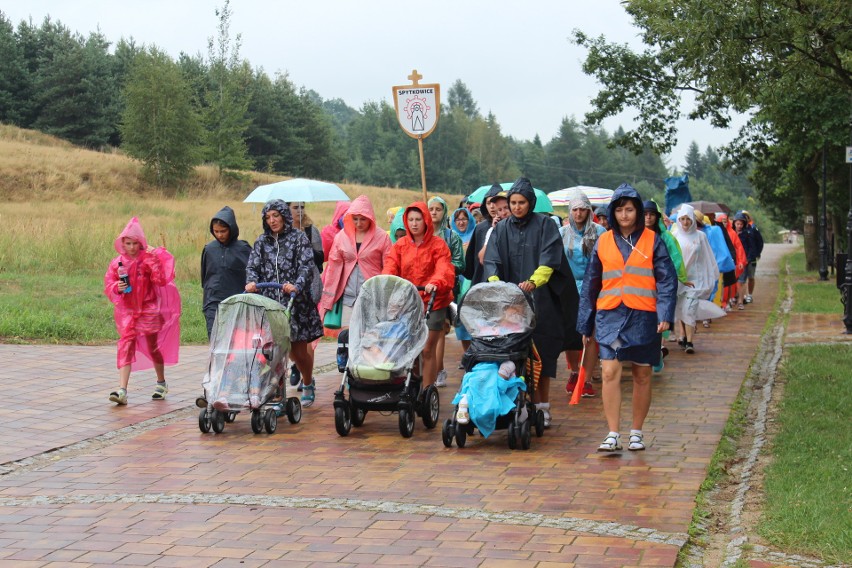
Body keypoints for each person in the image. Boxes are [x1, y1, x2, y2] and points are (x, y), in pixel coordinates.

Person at [578, 184, 677, 452]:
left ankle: (636, 431)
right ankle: (612, 432)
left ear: (638, 211)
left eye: (630, 209)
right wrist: (586, 323)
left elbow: (667, 280)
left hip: (644, 315)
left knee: (642, 373)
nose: (624, 215)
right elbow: (591, 284)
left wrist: (665, 313)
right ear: (612, 212)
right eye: (619, 210)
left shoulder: (652, 241)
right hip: (609, 313)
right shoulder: (603, 241)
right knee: (609, 371)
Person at [484, 177, 578, 429]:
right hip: (509, 303)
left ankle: (543, 407)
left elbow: (550, 258)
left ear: (531, 203)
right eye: (513, 202)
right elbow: (492, 261)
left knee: (542, 356)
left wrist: (533, 282)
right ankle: (513, 405)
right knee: (509, 354)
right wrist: (496, 283)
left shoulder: (545, 225)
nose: (516, 207)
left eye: (521, 202)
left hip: (541, 301)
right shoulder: (501, 229)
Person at [245, 200, 324, 407]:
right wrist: (251, 282)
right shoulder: (261, 242)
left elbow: (307, 266)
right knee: (273, 352)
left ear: (284, 216)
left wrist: (296, 285)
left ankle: (307, 382)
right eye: (268, 217)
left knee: (298, 352)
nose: (272, 221)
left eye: (276, 216)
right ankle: (277, 394)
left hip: (295, 303)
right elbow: (252, 267)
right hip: (270, 303)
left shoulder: (298, 238)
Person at [104, 217, 181, 405]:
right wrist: (116, 287)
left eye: (134, 243)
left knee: (153, 346)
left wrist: (157, 258)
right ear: (122, 243)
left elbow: (161, 280)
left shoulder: (147, 259)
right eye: (127, 243)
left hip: (148, 309)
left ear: (141, 243)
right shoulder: (117, 263)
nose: (131, 247)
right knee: (126, 345)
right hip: (128, 312)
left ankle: (161, 383)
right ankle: (122, 390)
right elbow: (109, 283)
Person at [382, 202, 456, 390]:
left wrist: (436, 283)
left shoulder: (438, 245)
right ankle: (413, 384)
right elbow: (391, 266)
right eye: (411, 220)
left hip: (434, 300)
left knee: (427, 348)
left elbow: (444, 269)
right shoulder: (400, 246)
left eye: (418, 219)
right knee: (410, 348)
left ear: (426, 221)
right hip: (409, 302)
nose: (414, 224)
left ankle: (427, 389)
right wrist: (387, 281)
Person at [318, 195, 391, 329]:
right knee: (348, 338)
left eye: (363, 219)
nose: (359, 223)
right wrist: (328, 298)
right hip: (348, 298)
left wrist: (385, 293)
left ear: (370, 218)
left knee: (370, 338)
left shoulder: (382, 237)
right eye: (355, 219)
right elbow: (333, 268)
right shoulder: (341, 237)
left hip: (373, 297)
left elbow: (389, 265)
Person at [560, 191, 605, 398]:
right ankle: (575, 371)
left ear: (589, 211)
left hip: (594, 286)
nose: (578, 213)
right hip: (569, 288)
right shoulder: (562, 233)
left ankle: (586, 378)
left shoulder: (600, 232)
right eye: (574, 209)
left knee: (591, 334)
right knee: (572, 334)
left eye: (582, 209)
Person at [427, 196, 465, 387]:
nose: (434, 212)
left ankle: (438, 369)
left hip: (444, 289)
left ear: (444, 212)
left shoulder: (452, 237)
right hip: (423, 289)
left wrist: (443, 267)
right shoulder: (421, 236)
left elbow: (460, 264)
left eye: (438, 209)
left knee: (440, 329)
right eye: (431, 209)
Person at [672, 205, 720, 353]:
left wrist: (710, 275)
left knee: (689, 309)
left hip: (695, 281)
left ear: (693, 220)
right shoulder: (674, 235)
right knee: (680, 308)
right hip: (679, 279)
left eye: (688, 219)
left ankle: (690, 342)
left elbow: (707, 257)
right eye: (682, 219)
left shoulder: (701, 236)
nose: (685, 222)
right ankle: (683, 335)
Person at [287, 200, 324, 387]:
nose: (300, 211)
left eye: (302, 207)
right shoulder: (281, 232)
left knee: (306, 332)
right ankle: (298, 364)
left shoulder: (310, 230)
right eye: (295, 207)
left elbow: (320, 258)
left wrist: (305, 245)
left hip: (310, 284)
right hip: (288, 286)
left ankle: (305, 377)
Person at [201, 206, 252, 339]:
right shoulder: (209, 249)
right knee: (215, 339)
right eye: (216, 231)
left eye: (223, 231)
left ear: (231, 229)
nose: (219, 235)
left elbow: (252, 276)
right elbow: (205, 277)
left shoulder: (244, 249)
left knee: (236, 341)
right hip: (212, 302)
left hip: (238, 302)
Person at [450, 207, 477, 359]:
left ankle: (476, 352)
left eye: (464, 219)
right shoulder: (451, 237)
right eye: (458, 219)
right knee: (459, 319)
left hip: (472, 280)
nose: (461, 222)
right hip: (457, 283)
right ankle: (467, 354)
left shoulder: (475, 234)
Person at [732, 212, 759, 310]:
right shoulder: (731, 233)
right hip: (734, 261)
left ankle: (741, 300)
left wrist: (747, 259)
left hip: (744, 261)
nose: (739, 226)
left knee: (742, 281)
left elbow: (752, 247)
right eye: (737, 224)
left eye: (741, 224)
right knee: (734, 281)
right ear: (734, 223)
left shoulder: (747, 233)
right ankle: (734, 297)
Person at [740, 210, 764, 303]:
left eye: (746, 216)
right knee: (741, 278)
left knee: (751, 277)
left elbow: (760, 242)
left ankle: (750, 295)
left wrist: (757, 253)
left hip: (752, 258)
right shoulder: (739, 229)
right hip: (742, 258)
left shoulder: (753, 229)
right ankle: (743, 295)